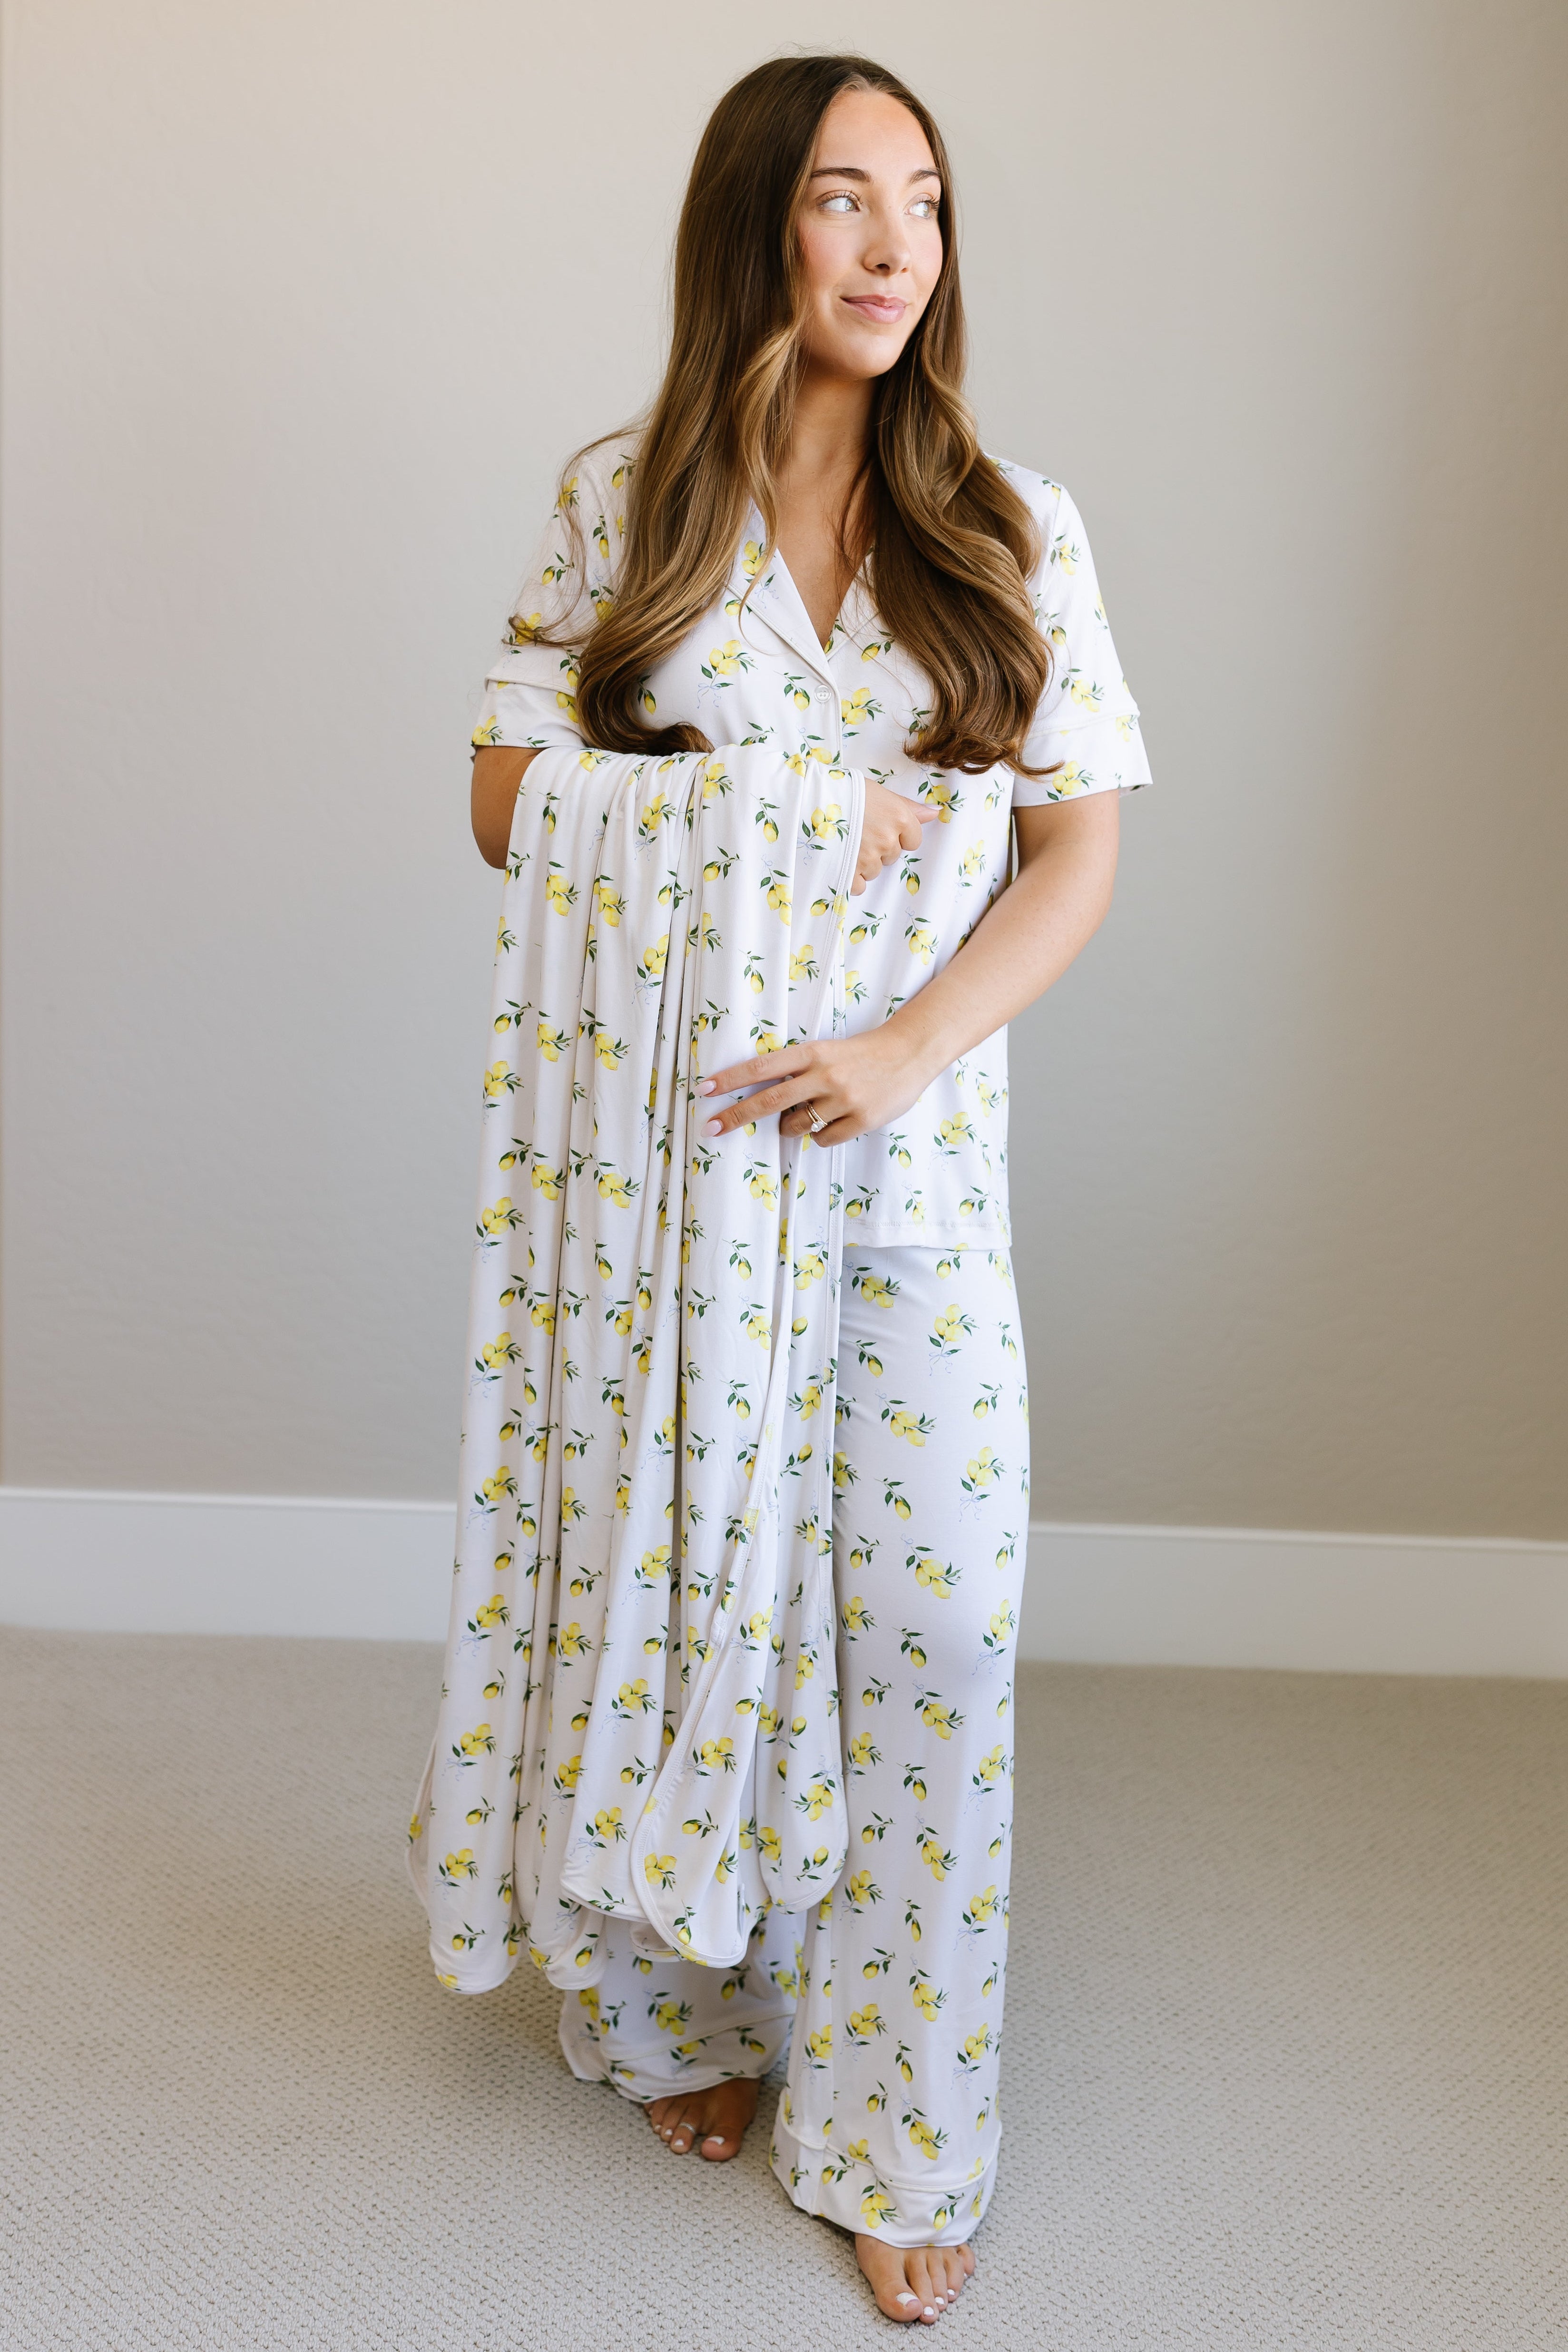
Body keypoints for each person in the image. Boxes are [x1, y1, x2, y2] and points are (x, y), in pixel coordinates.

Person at [452, 50, 1149, 2328]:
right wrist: (744, 812)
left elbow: (1073, 851)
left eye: (922, 204)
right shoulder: (618, 504)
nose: (886, 246)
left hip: (905, 1175)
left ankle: (893, 2119)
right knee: (681, 1598)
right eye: (841, 200)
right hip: (664, 1188)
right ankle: (656, 2003)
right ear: (754, 226)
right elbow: (499, 795)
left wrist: (898, 1043)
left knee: (928, 1633)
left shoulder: (1009, 522)